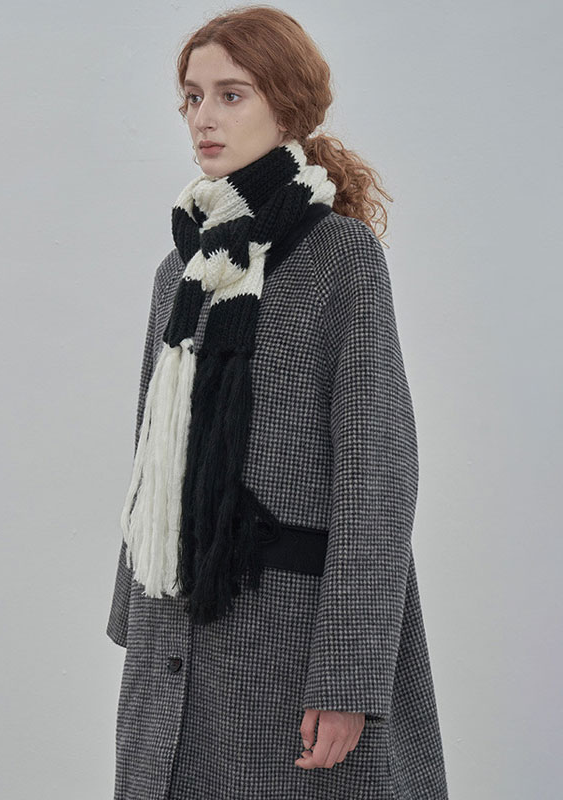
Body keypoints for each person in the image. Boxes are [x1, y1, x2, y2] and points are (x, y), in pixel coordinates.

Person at [106, 6, 449, 799]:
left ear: (287, 106)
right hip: (174, 636)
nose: (204, 117)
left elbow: (378, 470)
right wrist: (136, 618)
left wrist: (350, 676)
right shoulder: (178, 270)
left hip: (289, 643)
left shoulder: (339, 256)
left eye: (232, 95)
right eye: (192, 97)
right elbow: (150, 460)